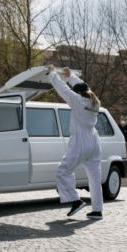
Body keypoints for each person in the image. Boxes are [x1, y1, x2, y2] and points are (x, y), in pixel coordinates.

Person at [47, 65, 103, 220]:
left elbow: (62, 89)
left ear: (78, 93)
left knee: (63, 170)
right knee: (95, 177)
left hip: (80, 140)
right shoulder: (95, 102)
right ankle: (97, 210)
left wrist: (52, 74)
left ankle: (75, 200)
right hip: (94, 140)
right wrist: (71, 76)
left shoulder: (77, 100)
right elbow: (85, 86)